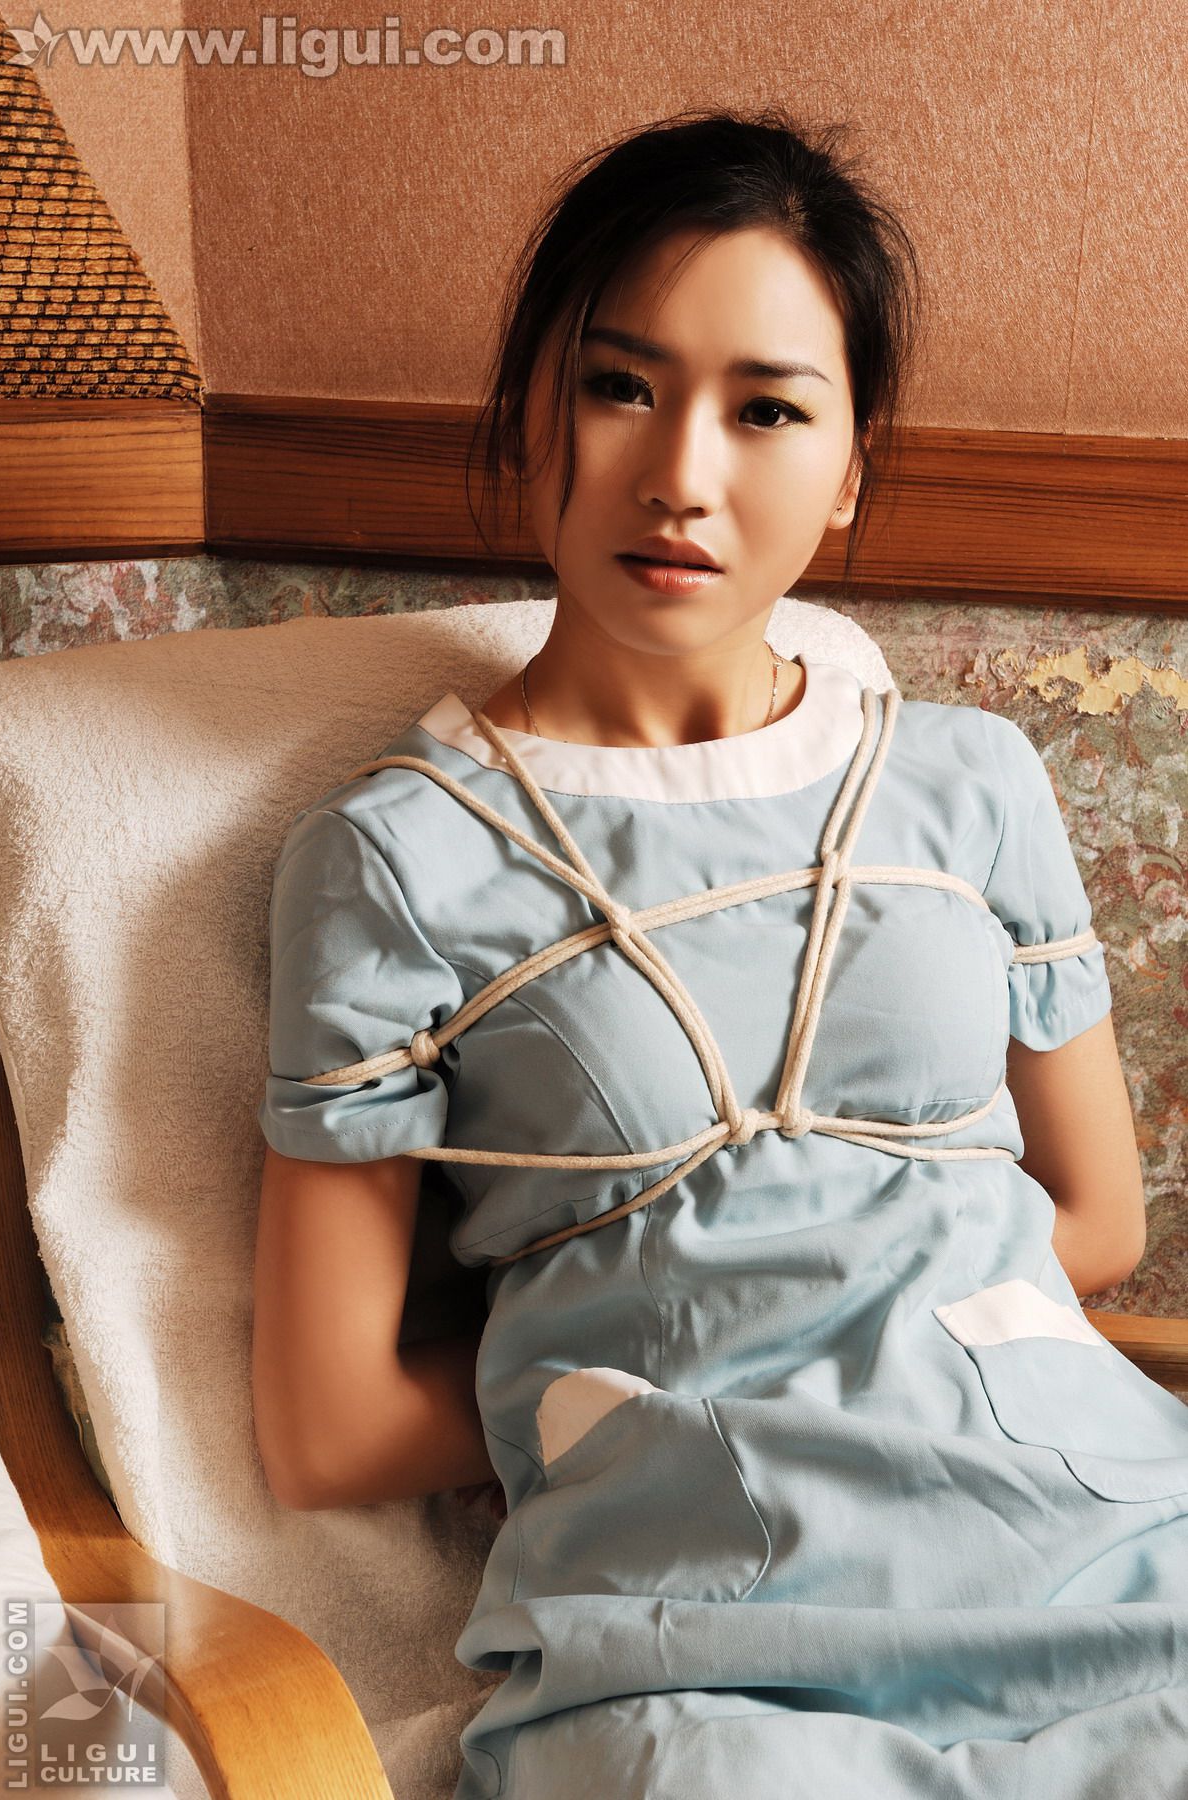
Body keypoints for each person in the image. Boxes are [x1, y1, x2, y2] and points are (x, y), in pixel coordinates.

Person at [252, 106, 1188, 1799]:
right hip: (690, 1605)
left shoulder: (967, 780)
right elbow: (327, 1428)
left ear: (850, 469)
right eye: (621, 385)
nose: (682, 472)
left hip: (1097, 1531)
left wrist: (878, 1332)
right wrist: (633, 1380)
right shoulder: (398, 858)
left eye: (767, 409)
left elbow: (1099, 1221)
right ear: (533, 411)